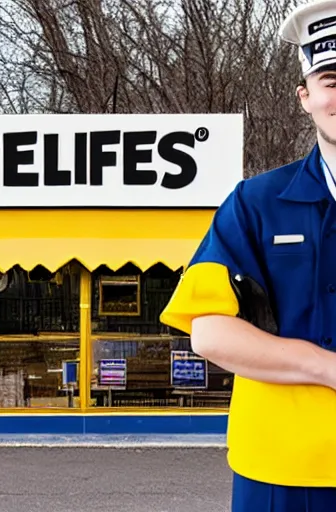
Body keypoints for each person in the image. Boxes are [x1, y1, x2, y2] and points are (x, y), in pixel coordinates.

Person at [160, 1, 336, 510]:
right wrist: (327, 368)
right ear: (305, 95)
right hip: (278, 471)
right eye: (331, 79)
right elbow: (209, 331)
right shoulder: (254, 204)